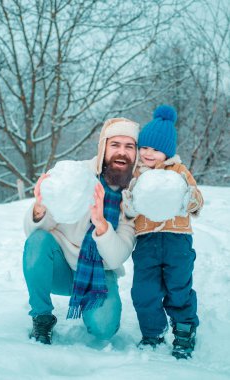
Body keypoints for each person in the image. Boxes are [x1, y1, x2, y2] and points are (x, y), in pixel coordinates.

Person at [23, 117, 139, 345]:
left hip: (99, 272)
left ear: (135, 153)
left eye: (129, 146)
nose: (122, 153)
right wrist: (40, 207)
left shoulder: (134, 195)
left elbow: (117, 256)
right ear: (103, 146)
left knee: (104, 328)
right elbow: (33, 234)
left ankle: (91, 308)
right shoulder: (78, 176)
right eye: (115, 145)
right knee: (38, 241)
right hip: (60, 267)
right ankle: (42, 316)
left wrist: (101, 223)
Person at [122, 105, 204, 359]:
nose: (148, 154)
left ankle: (184, 329)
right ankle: (153, 331)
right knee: (144, 290)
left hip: (176, 240)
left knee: (178, 287)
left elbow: (197, 199)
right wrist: (130, 205)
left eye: (155, 149)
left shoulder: (178, 172)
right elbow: (127, 208)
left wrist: (187, 198)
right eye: (144, 148)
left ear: (166, 151)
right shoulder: (136, 175)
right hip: (146, 241)